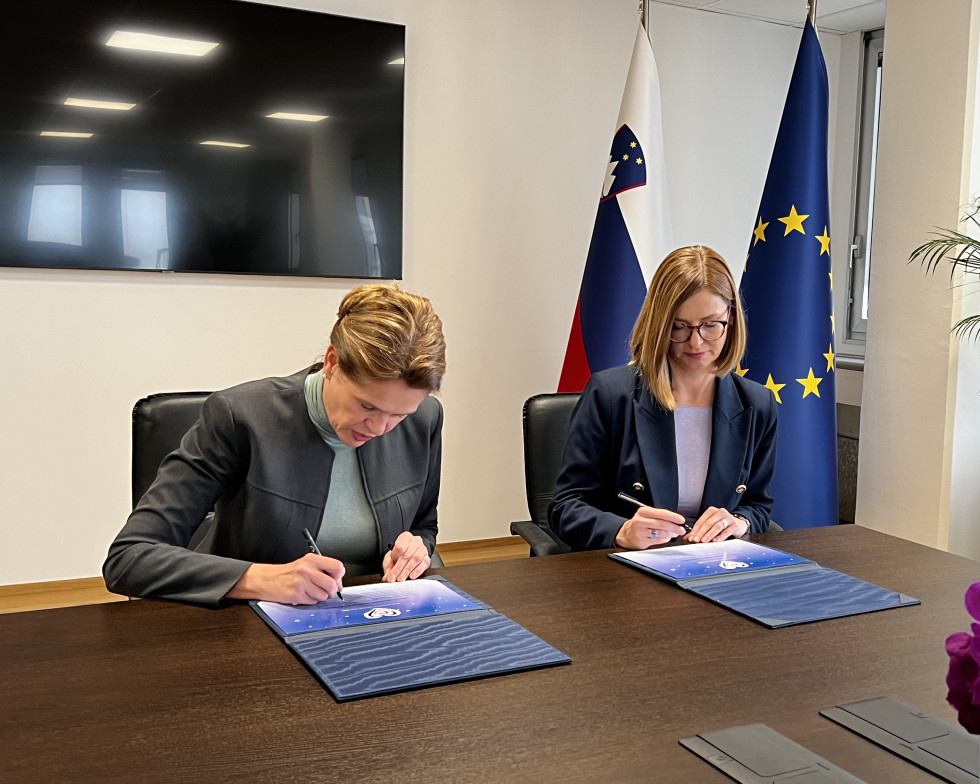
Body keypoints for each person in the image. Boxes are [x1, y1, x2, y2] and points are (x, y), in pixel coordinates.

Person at [104, 284, 446, 608]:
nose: (380, 428)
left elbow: (423, 526)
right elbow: (129, 558)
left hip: (374, 619)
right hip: (250, 627)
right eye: (367, 406)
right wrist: (263, 578)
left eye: (399, 414)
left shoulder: (425, 420)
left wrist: (416, 548)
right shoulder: (240, 417)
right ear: (332, 363)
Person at [549, 245, 777, 550]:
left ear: (731, 319)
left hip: (715, 563)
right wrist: (621, 530)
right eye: (679, 327)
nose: (696, 341)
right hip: (629, 567)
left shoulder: (756, 404)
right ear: (659, 324)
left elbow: (757, 505)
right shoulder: (610, 394)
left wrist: (740, 522)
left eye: (711, 325)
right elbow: (565, 506)